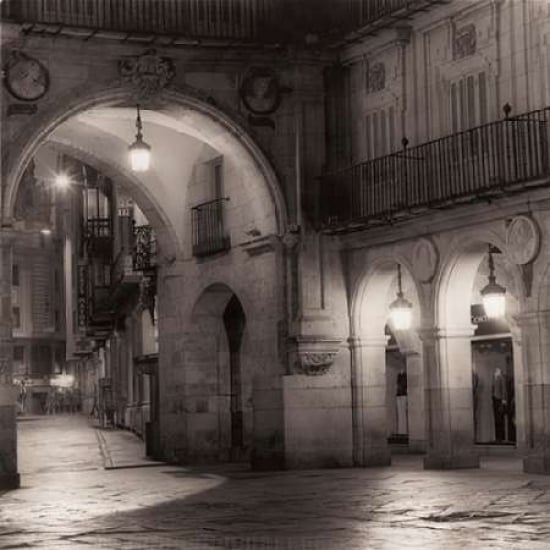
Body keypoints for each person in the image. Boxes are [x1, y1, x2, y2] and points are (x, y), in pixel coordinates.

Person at [492, 367, 506, 442]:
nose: (495, 372)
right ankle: (497, 437)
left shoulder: (501, 378)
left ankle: (501, 437)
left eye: (497, 371)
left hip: (499, 399)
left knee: (500, 418)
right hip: (495, 399)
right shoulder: (495, 378)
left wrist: (503, 400)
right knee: (496, 418)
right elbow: (493, 388)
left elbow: (503, 389)